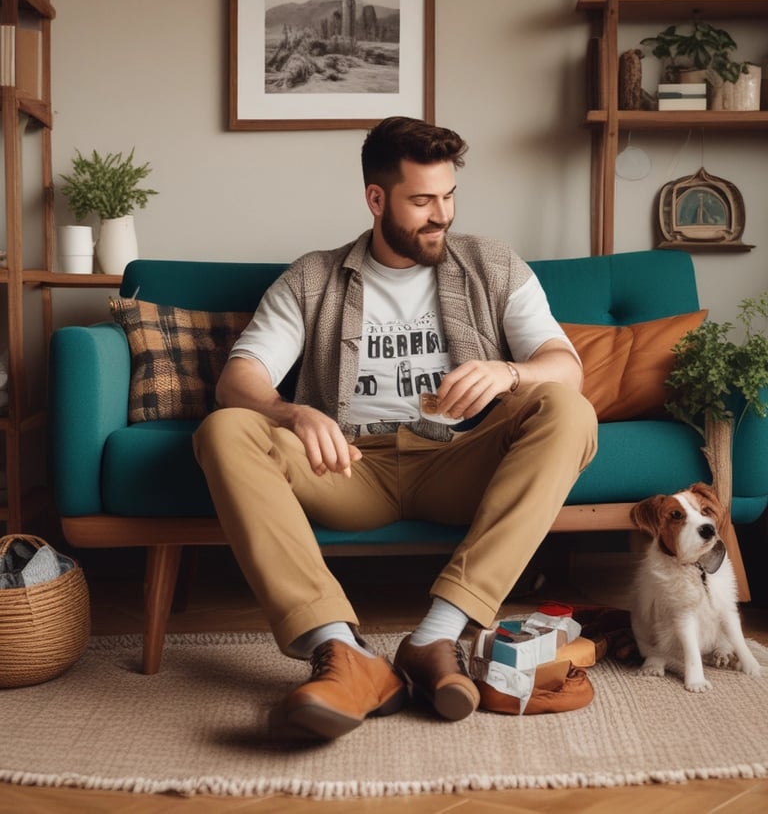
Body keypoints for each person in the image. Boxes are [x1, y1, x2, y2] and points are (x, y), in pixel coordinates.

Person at [193, 116, 597, 741]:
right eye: (422, 201)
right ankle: (342, 654)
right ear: (376, 199)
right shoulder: (313, 277)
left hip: (459, 459)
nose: (442, 215)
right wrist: (293, 411)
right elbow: (238, 379)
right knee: (224, 429)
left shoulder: (492, 262)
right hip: (350, 468)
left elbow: (564, 368)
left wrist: (508, 372)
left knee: (570, 408)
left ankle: (436, 638)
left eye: (450, 196)